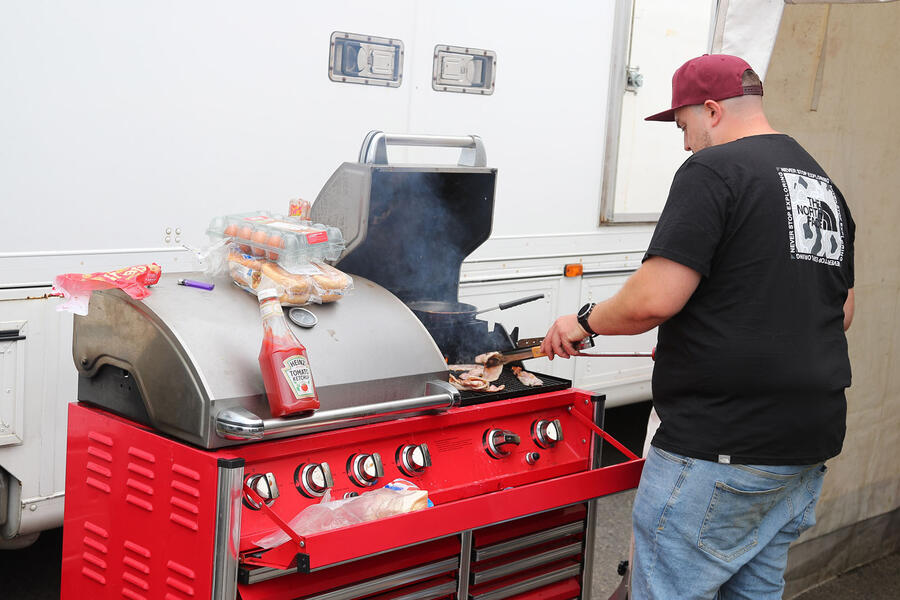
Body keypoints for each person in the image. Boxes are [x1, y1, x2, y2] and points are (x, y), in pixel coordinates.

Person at [541, 54, 855, 599]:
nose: (685, 144)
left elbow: (653, 300)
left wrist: (583, 321)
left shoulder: (714, 170)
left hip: (721, 447)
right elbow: (842, 312)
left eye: (684, 126)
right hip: (804, 445)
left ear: (711, 111)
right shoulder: (821, 185)